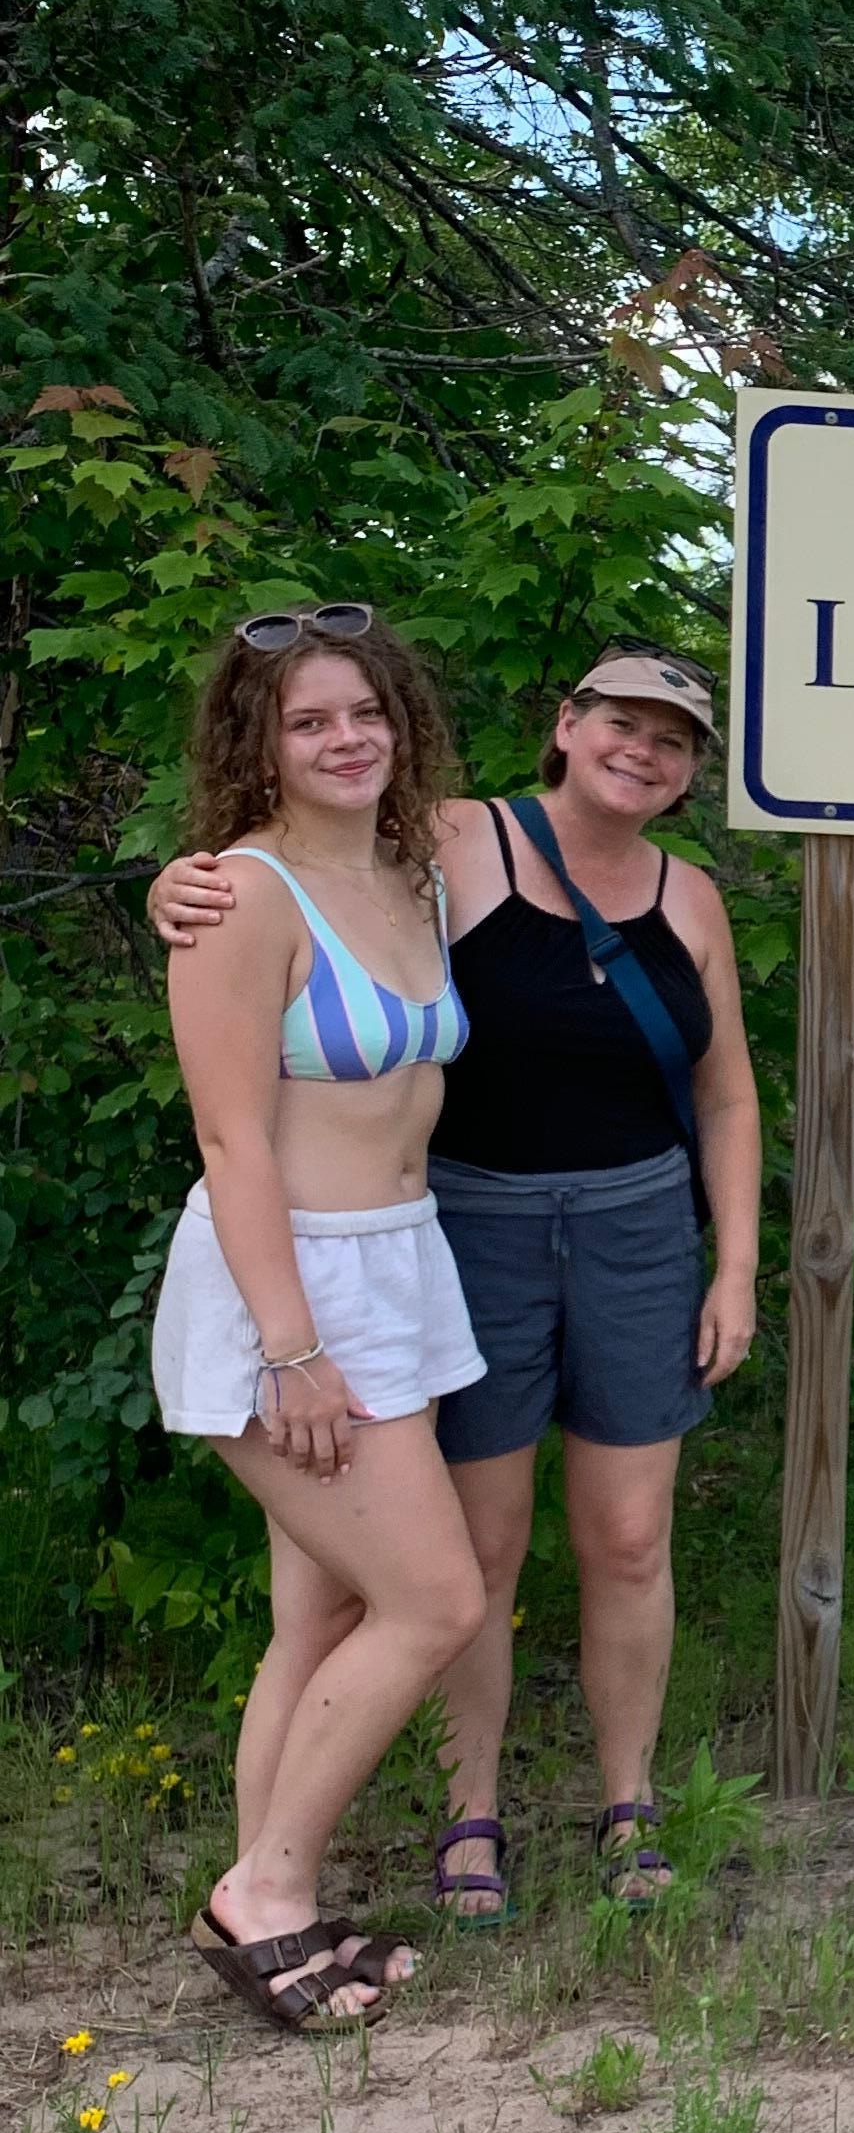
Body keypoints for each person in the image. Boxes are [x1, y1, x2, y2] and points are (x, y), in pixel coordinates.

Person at [152, 649, 761, 1920]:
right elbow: (276, 889)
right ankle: (420, 1831)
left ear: (695, 769)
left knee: (591, 1545)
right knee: (459, 1562)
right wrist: (181, 882)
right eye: (619, 722)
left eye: (673, 739)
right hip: (439, 1236)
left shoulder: (660, 895)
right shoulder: (450, 841)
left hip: (529, 1245)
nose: (642, 750)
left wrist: (739, 1266)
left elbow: (728, 1095)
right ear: (564, 723)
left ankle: (613, 1805)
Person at [152, 607, 489, 2030]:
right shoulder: (242, 897)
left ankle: (272, 1898)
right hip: (288, 1286)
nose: (347, 740)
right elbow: (233, 1143)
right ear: (260, 743)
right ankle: (266, 1893)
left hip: (401, 1267)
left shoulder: (420, 869)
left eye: (367, 712)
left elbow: (574, 815)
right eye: (308, 721)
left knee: (324, 1612)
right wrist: (291, 1350)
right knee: (435, 1600)